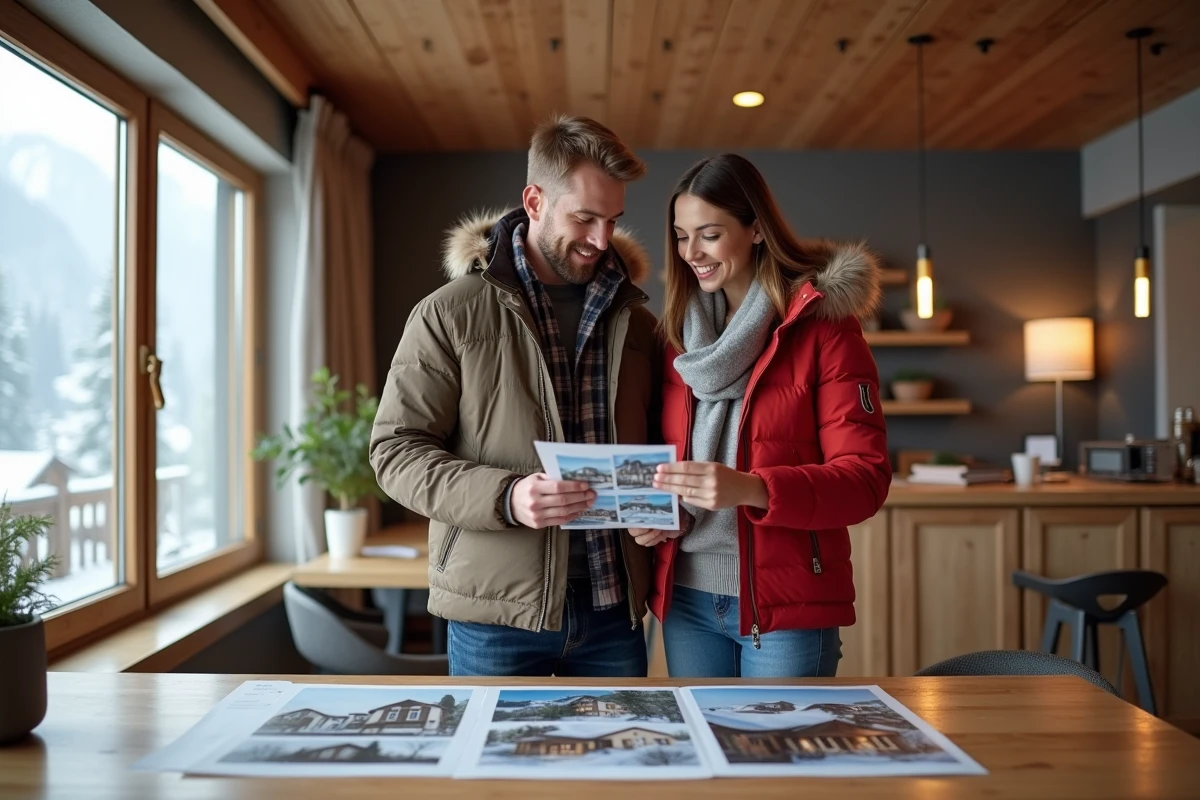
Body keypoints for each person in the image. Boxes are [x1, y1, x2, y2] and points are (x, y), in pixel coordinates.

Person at [370, 114, 661, 677]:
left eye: (612, 220)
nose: (602, 241)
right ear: (534, 200)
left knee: (619, 765)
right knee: (494, 770)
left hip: (613, 614)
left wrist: (660, 511)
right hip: (494, 619)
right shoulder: (447, 313)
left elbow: (656, 441)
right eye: (584, 218)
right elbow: (395, 453)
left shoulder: (637, 322)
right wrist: (506, 497)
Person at [631, 153, 891, 678]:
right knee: (706, 756)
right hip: (685, 599)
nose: (692, 253)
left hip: (785, 605)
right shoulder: (676, 340)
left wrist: (751, 488)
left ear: (754, 230)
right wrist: (654, 514)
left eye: (709, 234)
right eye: (682, 237)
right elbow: (672, 464)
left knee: (780, 757)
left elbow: (865, 480)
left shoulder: (826, 330)